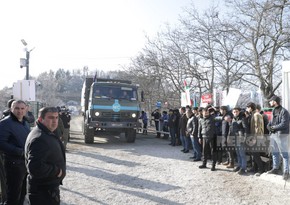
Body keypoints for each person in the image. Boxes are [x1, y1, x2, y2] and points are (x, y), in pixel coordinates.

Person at [25, 107, 66, 205]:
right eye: (51, 118)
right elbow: (35, 167)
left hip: (47, 188)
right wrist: (57, 171)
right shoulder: (39, 138)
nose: (55, 121)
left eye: (56, 117)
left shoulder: (46, 132)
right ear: (40, 119)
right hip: (43, 191)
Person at [0, 100, 30, 205]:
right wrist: (19, 151)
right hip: (13, 164)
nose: (20, 111)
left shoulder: (25, 123)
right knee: (13, 195)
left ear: (26, 109)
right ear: (11, 109)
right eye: (17, 108)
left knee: (22, 193)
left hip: (24, 163)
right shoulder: (5, 123)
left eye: (22, 108)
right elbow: (1, 143)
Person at [266, 95, 289, 180]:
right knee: (274, 152)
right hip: (273, 135)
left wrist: (273, 127)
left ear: (275, 101)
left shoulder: (284, 111)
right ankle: (275, 168)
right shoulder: (273, 111)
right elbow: (271, 122)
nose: (269, 102)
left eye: (271, 101)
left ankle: (286, 172)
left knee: (284, 154)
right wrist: (268, 126)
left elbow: (284, 124)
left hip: (281, 135)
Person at [198, 106, 217, 171]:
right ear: (202, 113)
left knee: (213, 152)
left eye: (207, 112)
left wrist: (213, 108)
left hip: (212, 137)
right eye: (204, 112)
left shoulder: (212, 118)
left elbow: (218, 116)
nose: (206, 113)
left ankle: (213, 165)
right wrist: (199, 137)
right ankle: (204, 164)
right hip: (204, 137)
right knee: (204, 151)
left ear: (209, 113)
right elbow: (199, 129)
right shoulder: (200, 119)